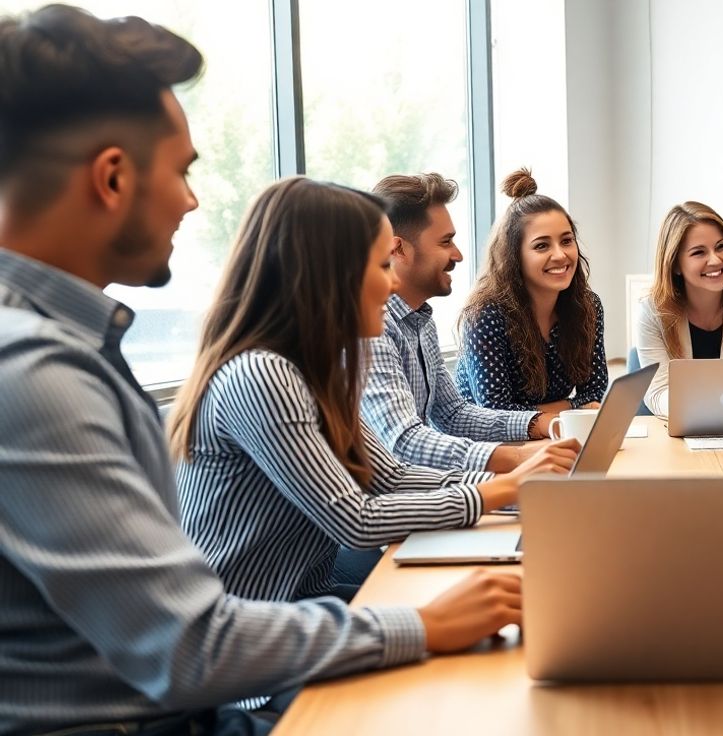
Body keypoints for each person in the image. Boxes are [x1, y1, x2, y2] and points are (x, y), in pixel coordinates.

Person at [0, 4, 522, 734]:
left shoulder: (68, 347)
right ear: (112, 178)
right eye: (182, 172)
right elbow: (190, 645)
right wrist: (419, 626)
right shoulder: (35, 373)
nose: (193, 199)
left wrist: (500, 497)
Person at [170, 177, 576, 607]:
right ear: (330, 274)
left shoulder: (314, 369)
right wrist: (504, 490)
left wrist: (516, 487)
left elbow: (390, 477)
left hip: (303, 597)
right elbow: (356, 520)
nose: (395, 284)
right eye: (382, 266)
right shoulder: (264, 374)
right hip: (246, 620)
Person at [363, 172, 569, 479]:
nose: (457, 254)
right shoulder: (371, 329)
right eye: (446, 242)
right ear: (399, 250)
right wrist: (517, 457)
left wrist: (539, 423)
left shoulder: (420, 321)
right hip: (399, 496)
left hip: (427, 483)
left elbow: (452, 414)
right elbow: (404, 442)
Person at [456, 168, 608, 413]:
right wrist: (570, 407)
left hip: (550, 436)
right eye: (541, 246)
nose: (560, 255)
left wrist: (552, 412)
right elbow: (497, 413)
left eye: (567, 240)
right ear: (514, 256)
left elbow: (596, 392)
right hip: (487, 445)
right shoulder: (485, 315)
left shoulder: (588, 306)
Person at [636, 201, 723, 416]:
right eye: (698, 252)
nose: (715, 260)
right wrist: (702, 412)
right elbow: (657, 393)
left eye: (722, 246)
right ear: (675, 264)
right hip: (681, 432)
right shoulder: (653, 310)